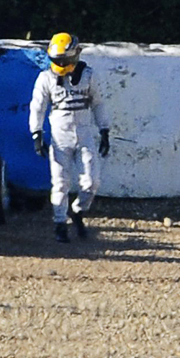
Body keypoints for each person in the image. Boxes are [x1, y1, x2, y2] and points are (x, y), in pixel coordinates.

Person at [30, 32, 110, 243]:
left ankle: (77, 210)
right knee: (60, 183)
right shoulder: (45, 78)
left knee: (92, 182)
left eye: (64, 59)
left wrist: (104, 130)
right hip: (59, 136)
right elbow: (37, 107)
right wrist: (37, 133)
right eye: (57, 60)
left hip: (84, 134)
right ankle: (59, 223)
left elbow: (98, 103)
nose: (61, 63)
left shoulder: (88, 75)